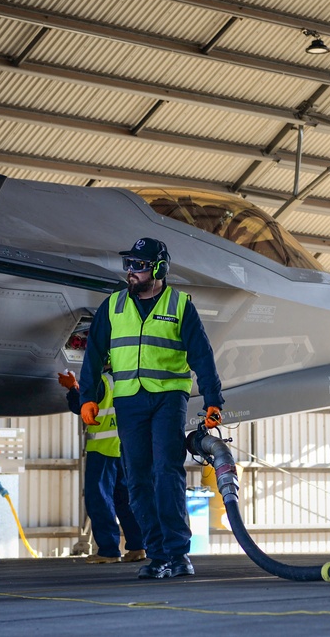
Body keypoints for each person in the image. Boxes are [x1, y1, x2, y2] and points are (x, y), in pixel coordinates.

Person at [78, 237, 224, 579]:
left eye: (139, 266)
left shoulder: (180, 305)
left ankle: (178, 554)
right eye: (128, 265)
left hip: (168, 398)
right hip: (129, 400)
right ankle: (157, 556)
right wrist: (88, 396)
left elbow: (202, 356)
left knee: (166, 474)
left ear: (159, 268)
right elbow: (94, 354)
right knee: (137, 479)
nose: (131, 272)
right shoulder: (112, 306)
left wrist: (213, 399)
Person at [58, 368, 146, 565]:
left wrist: (72, 387)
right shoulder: (130, 381)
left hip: (103, 450)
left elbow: (80, 406)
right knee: (127, 500)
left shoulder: (102, 382)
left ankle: (108, 550)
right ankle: (138, 546)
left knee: (99, 500)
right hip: (124, 449)